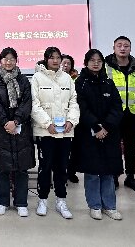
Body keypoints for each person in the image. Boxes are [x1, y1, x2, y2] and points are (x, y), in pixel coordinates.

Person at [75, 49, 124, 221]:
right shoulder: (80, 83)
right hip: (89, 133)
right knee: (92, 171)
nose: (96, 63)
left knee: (108, 171)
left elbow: (117, 107)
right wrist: (96, 127)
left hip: (109, 133)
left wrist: (107, 126)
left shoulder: (108, 82)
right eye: (92, 60)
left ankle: (110, 206)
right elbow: (81, 108)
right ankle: (94, 205)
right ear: (86, 62)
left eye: (99, 61)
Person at [31, 46, 79, 219]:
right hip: (46, 132)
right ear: (46, 59)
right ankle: (42, 200)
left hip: (65, 131)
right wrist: (47, 124)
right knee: (45, 167)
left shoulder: (67, 78)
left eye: (58, 57)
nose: (55, 60)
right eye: (52, 57)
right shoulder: (37, 78)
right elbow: (34, 104)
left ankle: (61, 200)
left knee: (62, 167)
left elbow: (74, 102)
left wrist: (71, 121)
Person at [0, 47, 35, 217]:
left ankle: (21, 202)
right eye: (5, 59)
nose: (8, 62)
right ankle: (2, 201)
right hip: (1, 129)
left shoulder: (23, 80)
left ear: (16, 61)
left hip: (21, 128)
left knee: (21, 168)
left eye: (12, 59)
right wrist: (5, 122)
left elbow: (27, 103)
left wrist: (16, 121)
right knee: (2, 168)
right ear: (0, 61)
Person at [105, 36, 135, 193]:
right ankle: (114, 176)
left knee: (130, 147)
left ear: (130, 48)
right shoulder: (106, 67)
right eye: (119, 45)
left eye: (126, 46)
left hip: (132, 114)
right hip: (113, 114)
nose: (123, 48)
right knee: (113, 146)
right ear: (114, 48)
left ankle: (130, 177)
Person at [61, 53, 80, 184]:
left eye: (68, 63)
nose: (66, 65)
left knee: (74, 148)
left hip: (74, 117)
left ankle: (71, 171)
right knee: (62, 148)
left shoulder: (76, 79)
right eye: (64, 63)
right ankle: (61, 172)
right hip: (60, 118)